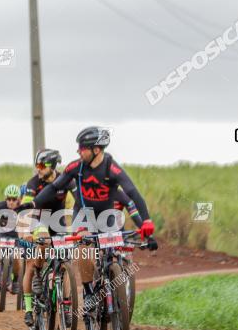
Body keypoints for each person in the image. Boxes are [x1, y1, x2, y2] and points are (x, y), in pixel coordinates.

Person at [21, 127, 157, 317]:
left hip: (107, 216)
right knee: (84, 247)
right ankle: (89, 292)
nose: (78, 151)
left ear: (96, 150)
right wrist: (34, 203)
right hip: (83, 214)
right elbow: (54, 187)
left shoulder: (112, 168)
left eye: (82, 148)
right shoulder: (75, 167)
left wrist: (146, 222)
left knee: (111, 251)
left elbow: (133, 193)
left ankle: (111, 275)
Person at [18, 148, 75, 326]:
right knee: (34, 257)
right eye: (37, 165)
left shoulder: (65, 180)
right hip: (37, 222)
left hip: (58, 224)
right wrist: (25, 231)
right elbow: (25, 208)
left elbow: (79, 200)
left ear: (53, 165)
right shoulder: (33, 183)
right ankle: (29, 305)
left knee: (66, 263)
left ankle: (65, 306)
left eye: (42, 165)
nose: (38, 169)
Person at [0, 184, 23, 295]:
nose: (11, 202)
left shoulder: (22, 209)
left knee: (17, 257)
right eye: (9, 199)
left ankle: (16, 280)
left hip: (16, 237)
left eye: (14, 199)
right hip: (2, 234)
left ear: (18, 200)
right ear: (5, 199)